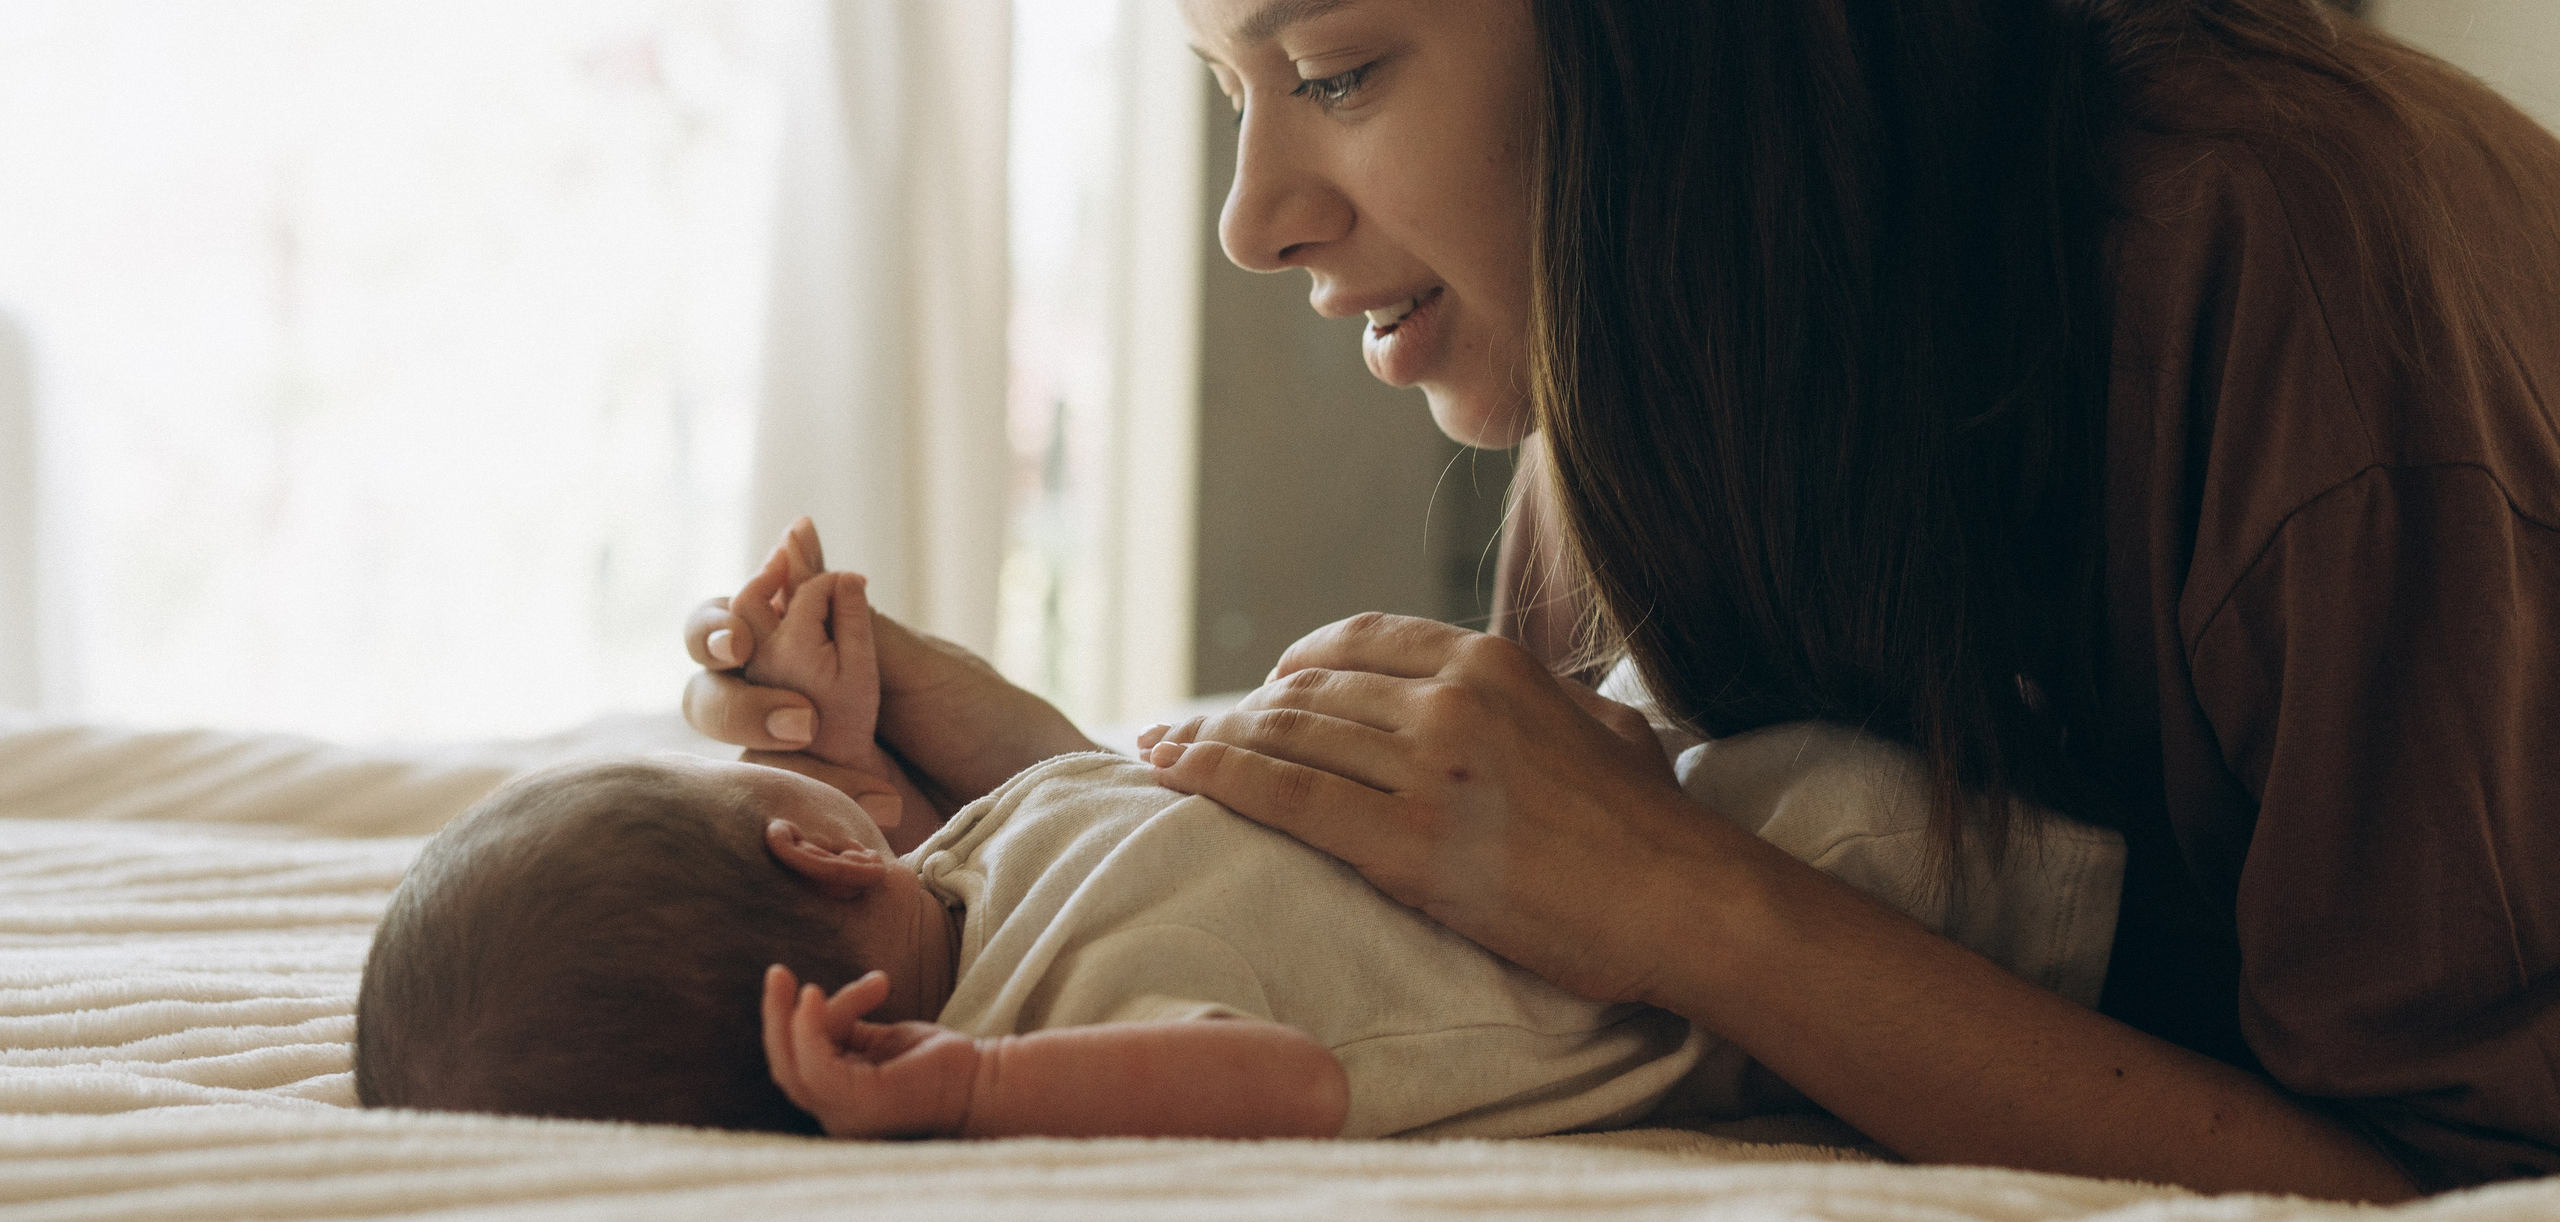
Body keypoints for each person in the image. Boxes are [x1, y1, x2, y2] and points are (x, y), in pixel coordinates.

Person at [685, 0, 2560, 1198]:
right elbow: (1499, 969)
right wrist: (985, 859)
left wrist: (1689, 903)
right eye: (1226, 92)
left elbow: (2452, 1185)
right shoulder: (1660, 364)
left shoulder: (2291, 281)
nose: (1254, 219)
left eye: (1330, 74)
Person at [363, 529, 2118, 1138]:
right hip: (1848, 898)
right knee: (2057, 874)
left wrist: (885, 745)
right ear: (816, 863)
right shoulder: (1062, 1031)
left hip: (1732, 784)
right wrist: (972, 1099)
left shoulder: (979, 884)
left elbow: (1098, 799)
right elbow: (1270, 1078)